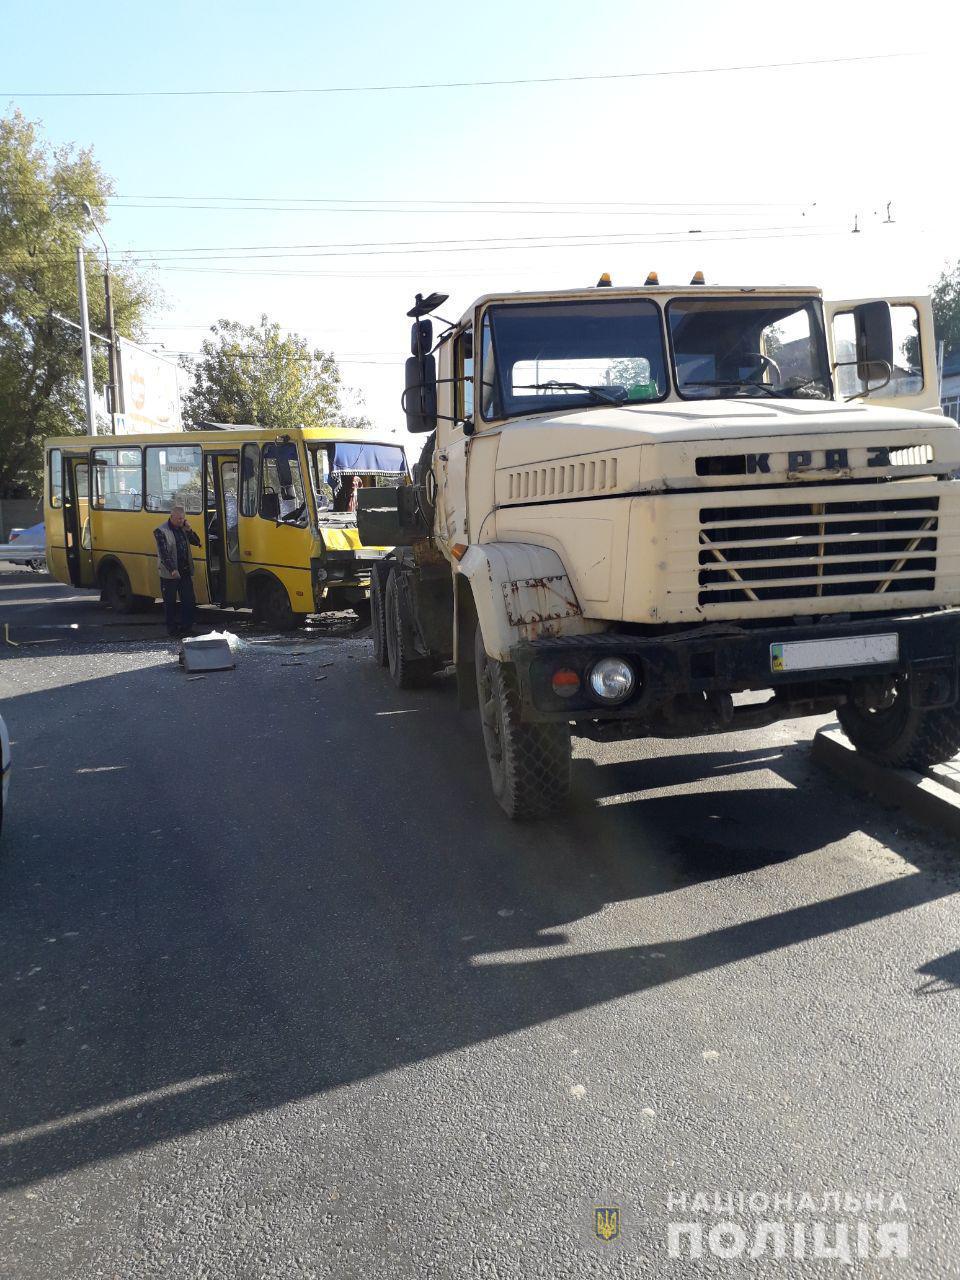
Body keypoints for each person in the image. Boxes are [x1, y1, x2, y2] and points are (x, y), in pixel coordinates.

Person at [154, 503, 201, 637]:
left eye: (183, 518)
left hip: (184, 571)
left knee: (189, 600)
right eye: (179, 518)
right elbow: (164, 553)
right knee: (170, 602)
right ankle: (172, 630)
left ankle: (187, 628)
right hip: (170, 573)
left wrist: (189, 529)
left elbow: (196, 542)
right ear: (172, 517)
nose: (181, 521)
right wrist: (172, 569)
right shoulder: (161, 531)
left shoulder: (183, 528)